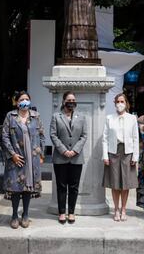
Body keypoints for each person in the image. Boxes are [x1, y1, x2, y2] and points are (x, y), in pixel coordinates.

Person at [2, 91, 45, 229]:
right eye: (22, 99)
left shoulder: (36, 116)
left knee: (28, 187)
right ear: (17, 101)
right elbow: (5, 136)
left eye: (27, 99)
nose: (25, 101)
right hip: (16, 157)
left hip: (32, 158)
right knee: (15, 187)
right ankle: (14, 215)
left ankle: (25, 214)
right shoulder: (11, 116)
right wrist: (12, 154)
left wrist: (41, 154)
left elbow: (42, 135)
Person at [50, 91, 88, 224]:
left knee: (74, 186)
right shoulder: (56, 116)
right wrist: (64, 150)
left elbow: (84, 136)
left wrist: (75, 150)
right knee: (61, 186)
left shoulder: (81, 116)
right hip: (60, 157)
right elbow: (53, 135)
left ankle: (71, 212)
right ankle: (61, 212)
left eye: (73, 100)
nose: (72, 102)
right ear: (64, 101)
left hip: (76, 158)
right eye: (69, 100)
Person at [102, 93, 139, 221]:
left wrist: (135, 156)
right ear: (115, 103)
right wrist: (105, 155)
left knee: (126, 183)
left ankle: (124, 209)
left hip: (127, 152)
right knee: (115, 183)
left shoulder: (132, 118)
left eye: (122, 101)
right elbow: (105, 138)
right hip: (113, 151)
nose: (120, 104)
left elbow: (135, 138)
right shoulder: (109, 118)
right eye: (117, 101)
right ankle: (116, 209)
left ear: (126, 103)